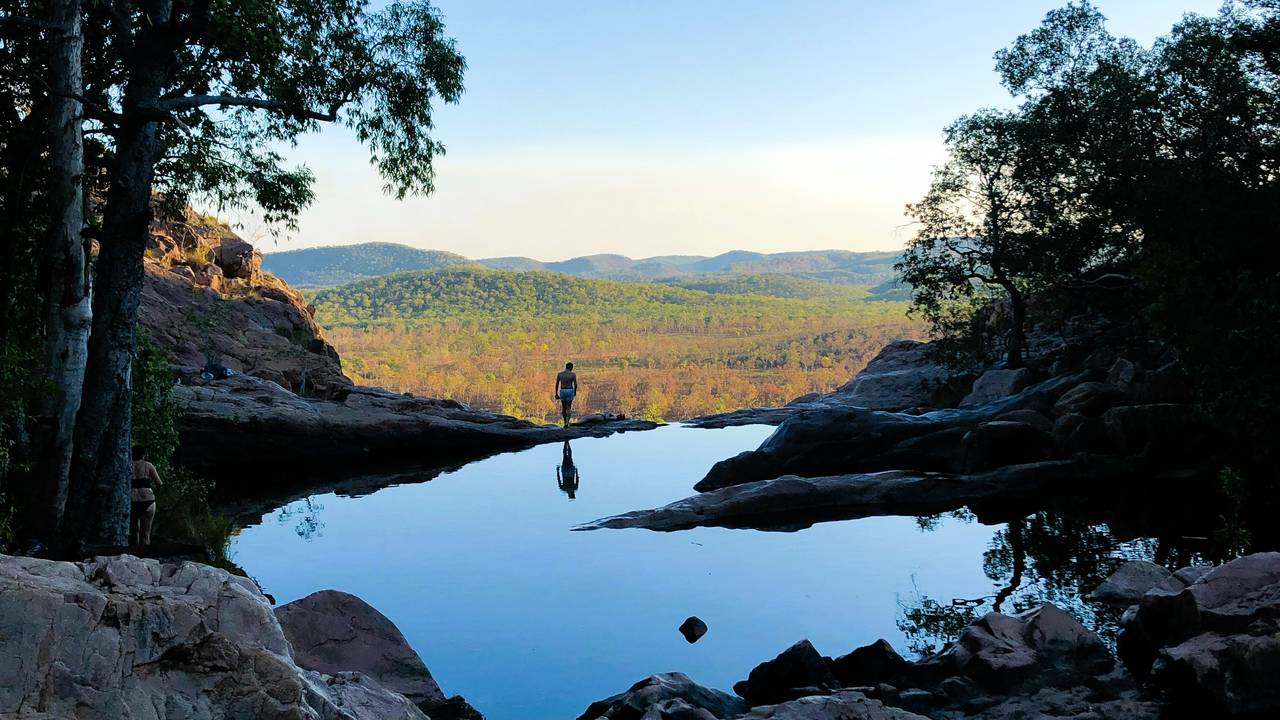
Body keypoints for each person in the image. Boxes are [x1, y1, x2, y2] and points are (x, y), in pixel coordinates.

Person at [130, 445, 162, 546]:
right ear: (143, 455)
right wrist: (155, 495)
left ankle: (133, 557)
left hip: (132, 501)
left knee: (134, 532)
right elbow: (159, 483)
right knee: (145, 534)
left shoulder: (127, 465)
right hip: (148, 500)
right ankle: (145, 559)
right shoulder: (149, 465)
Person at [553, 362, 578, 427]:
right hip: (570, 390)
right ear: (571, 367)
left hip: (562, 390)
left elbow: (557, 384)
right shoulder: (573, 374)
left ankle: (564, 422)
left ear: (566, 367)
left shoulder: (560, 374)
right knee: (569, 407)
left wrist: (556, 393)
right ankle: (567, 423)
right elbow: (575, 384)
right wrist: (575, 392)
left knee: (564, 407)